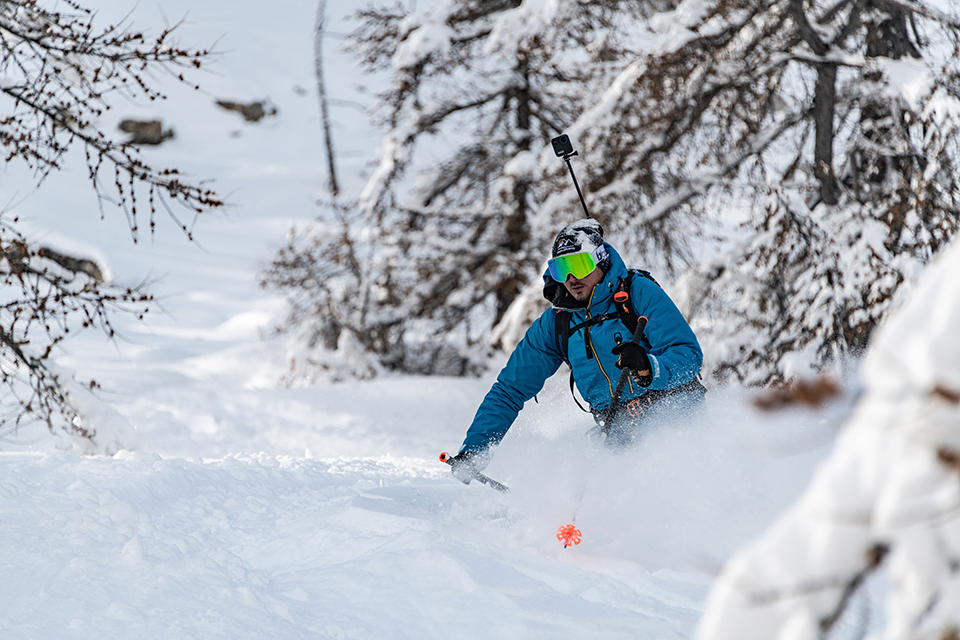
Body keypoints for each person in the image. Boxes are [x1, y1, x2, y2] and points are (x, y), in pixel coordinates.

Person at [448, 219, 705, 484]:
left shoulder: (637, 292)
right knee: (570, 475)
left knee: (659, 475)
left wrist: (648, 368)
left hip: (675, 413)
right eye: (561, 269)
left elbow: (688, 354)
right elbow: (510, 388)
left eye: (579, 265)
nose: (571, 279)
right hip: (616, 429)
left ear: (600, 260)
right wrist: (474, 451)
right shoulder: (556, 323)